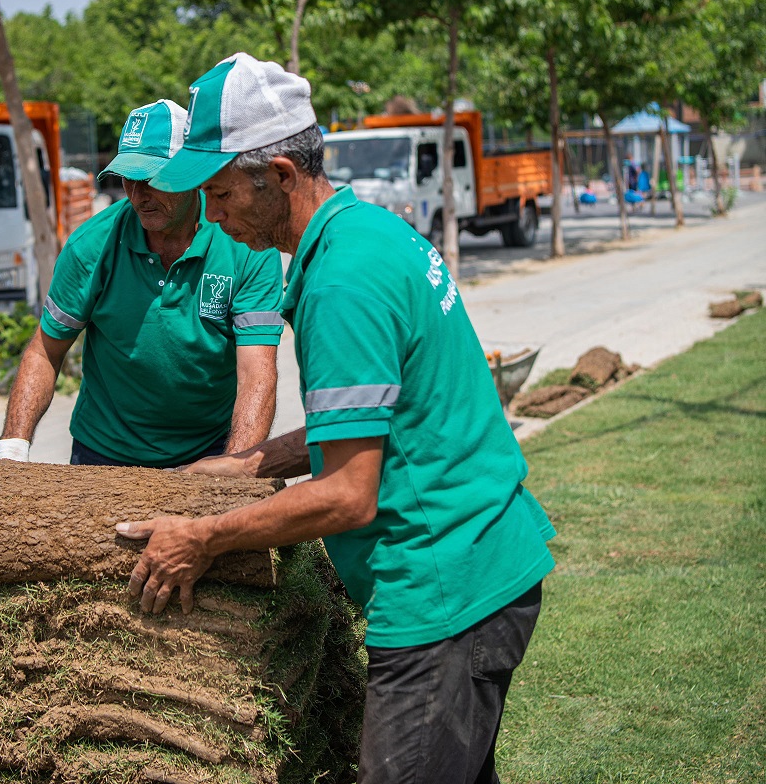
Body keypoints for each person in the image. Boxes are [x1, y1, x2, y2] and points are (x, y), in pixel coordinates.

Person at [115, 54, 556, 783]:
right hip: (481, 561)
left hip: (442, 593)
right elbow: (385, 414)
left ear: (281, 175)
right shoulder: (368, 233)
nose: (213, 215)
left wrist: (201, 537)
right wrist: (252, 464)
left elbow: (351, 495)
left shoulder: (342, 284)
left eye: (221, 193)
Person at [0, 99, 284, 470]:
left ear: (190, 173)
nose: (138, 193)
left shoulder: (244, 244)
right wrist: (13, 450)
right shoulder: (92, 247)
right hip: (104, 452)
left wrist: (233, 469)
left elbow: (256, 372)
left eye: (153, 178)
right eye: (128, 178)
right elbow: (44, 352)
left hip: (210, 446)